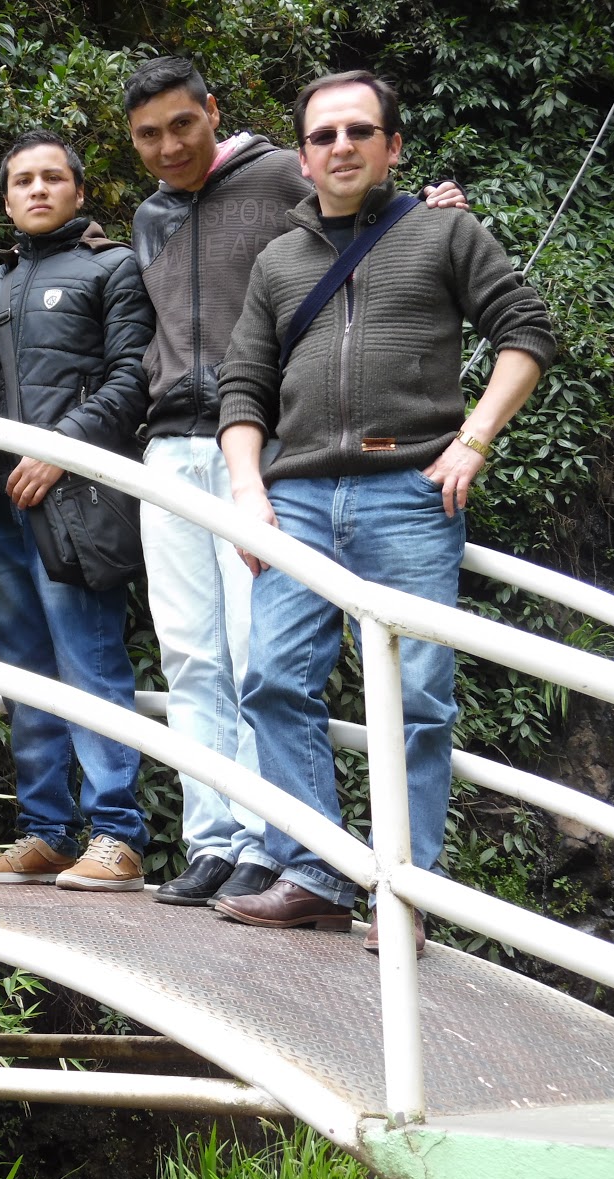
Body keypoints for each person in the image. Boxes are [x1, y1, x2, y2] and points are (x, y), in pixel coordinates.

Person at [215, 70, 554, 951]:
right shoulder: (278, 261)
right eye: (323, 135)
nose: (341, 146)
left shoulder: (445, 231)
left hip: (409, 491)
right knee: (272, 681)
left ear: (393, 146)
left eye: (359, 131)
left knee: (416, 698)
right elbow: (243, 386)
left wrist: (473, 439)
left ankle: (406, 892)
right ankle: (313, 873)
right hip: (294, 498)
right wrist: (248, 491)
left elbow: (525, 333)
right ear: (302, 157)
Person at [123, 56, 467, 907]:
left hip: (267, 444)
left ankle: (266, 840)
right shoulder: (148, 216)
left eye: (182, 123)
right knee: (190, 654)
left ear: (213, 110)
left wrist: (437, 210)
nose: (169, 146)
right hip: (171, 442)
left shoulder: (284, 172)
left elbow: (366, 215)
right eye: (148, 135)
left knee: (259, 650)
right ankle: (211, 838)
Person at [0, 130, 153, 891]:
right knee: (24, 668)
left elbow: (133, 376)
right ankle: (44, 831)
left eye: (52, 178)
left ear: (78, 190)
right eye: (22, 181)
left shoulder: (113, 267)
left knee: (89, 659)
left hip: (78, 497)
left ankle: (117, 836)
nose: (37, 190)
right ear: (6, 198)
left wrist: (60, 448)